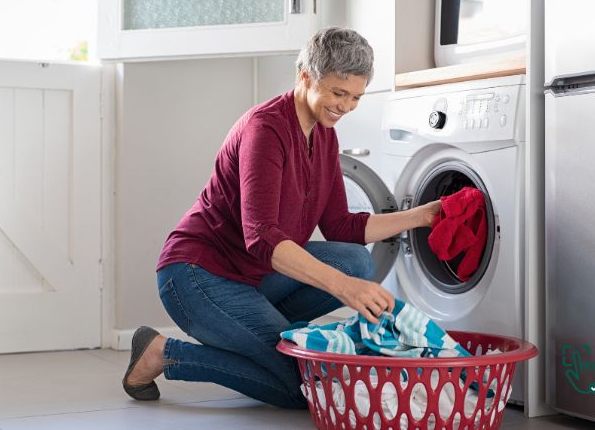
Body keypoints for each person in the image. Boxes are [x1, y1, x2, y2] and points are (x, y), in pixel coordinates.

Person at [122, 27, 441, 409]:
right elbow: (262, 237)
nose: (346, 106)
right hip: (197, 275)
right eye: (338, 93)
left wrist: (423, 216)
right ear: (306, 77)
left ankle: (253, 336)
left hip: (254, 277)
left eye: (356, 96)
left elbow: (341, 226)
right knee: (303, 387)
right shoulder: (265, 129)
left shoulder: (325, 136)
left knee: (357, 261)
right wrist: (343, 288)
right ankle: (164, 352)